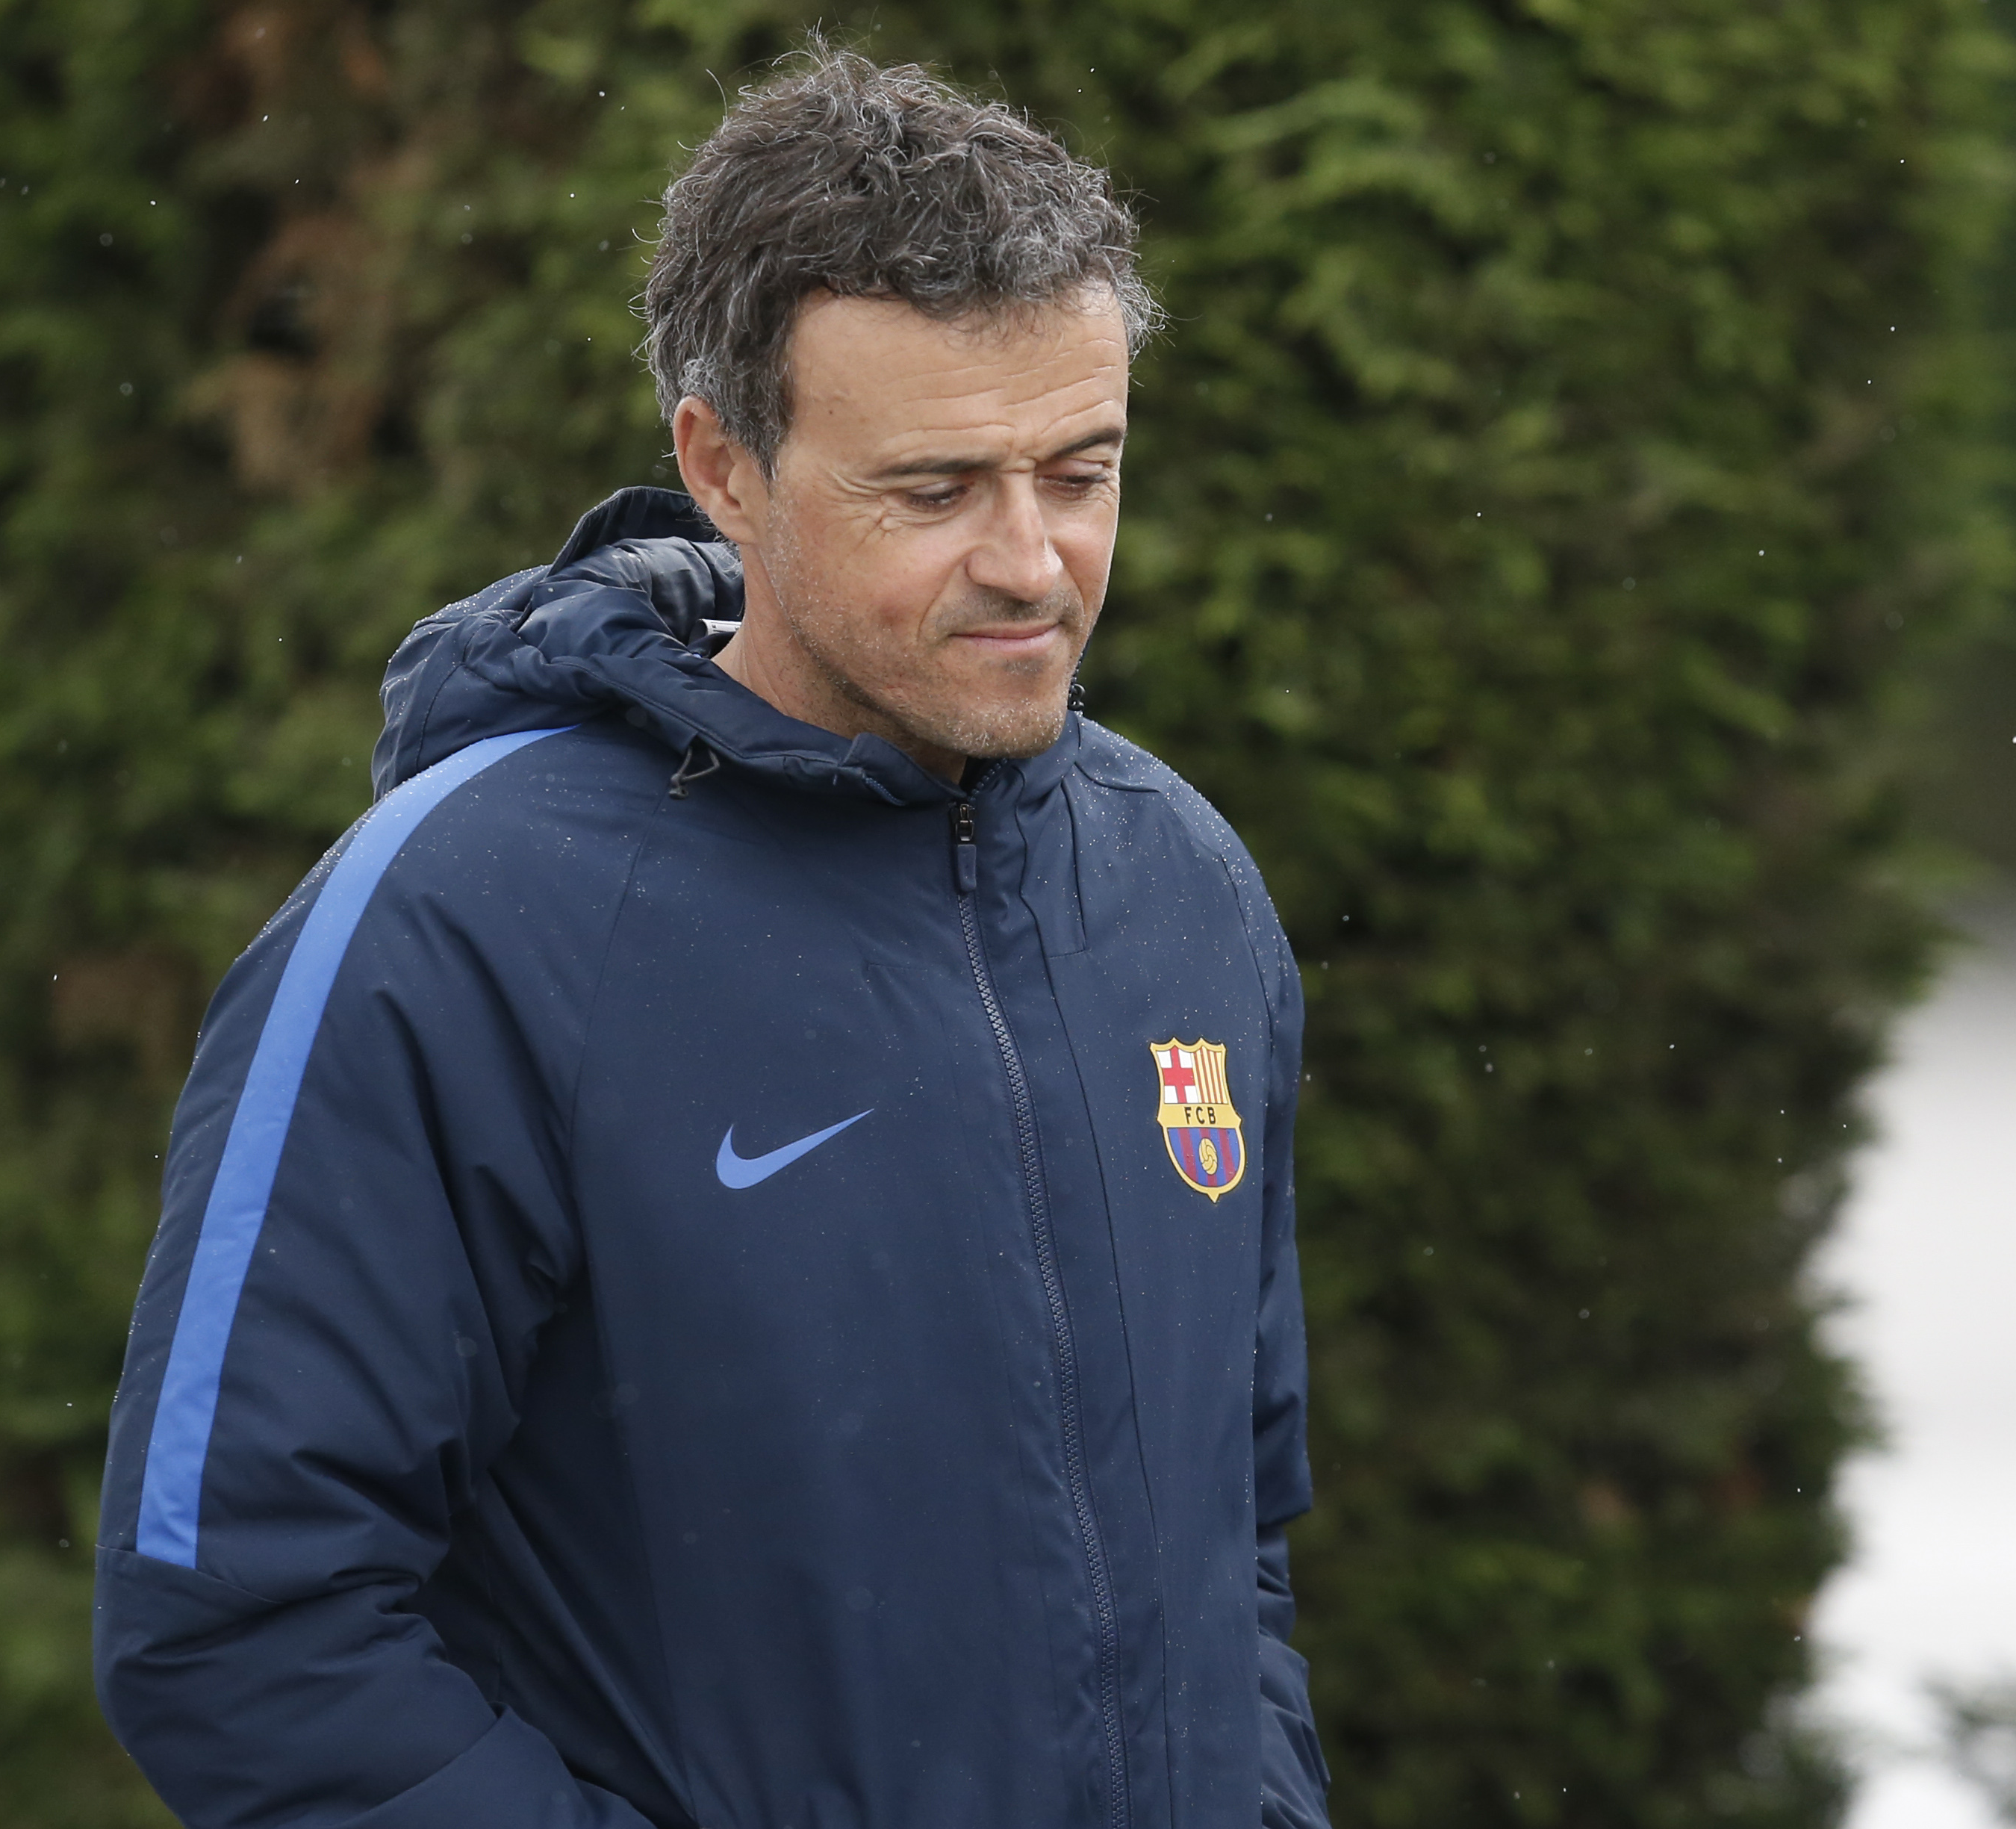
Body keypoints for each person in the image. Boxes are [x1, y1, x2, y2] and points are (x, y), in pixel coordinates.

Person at [92, 47, 1329, 1829]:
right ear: (724, 467)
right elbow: (238, 1616)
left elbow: (1238, 1547)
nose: (1034, 563)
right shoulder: (452, 922)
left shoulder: (1182, 889)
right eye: (934, 489)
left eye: (1081, 469)